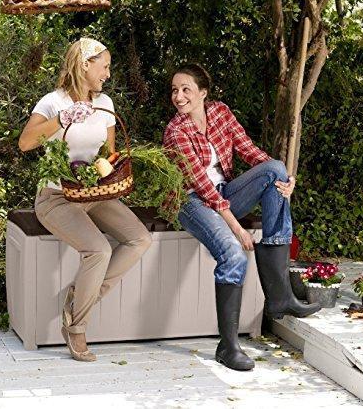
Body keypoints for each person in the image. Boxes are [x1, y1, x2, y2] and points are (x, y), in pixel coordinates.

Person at [163, 64, 321, 371]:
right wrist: (237, 229)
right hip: (192, 202)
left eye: (185, 89)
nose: (178, 96)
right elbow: (202, 186)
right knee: (234, 255)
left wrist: (286, 179)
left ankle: (279, 296)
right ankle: (228, 346)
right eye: (174, 90)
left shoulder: (220, 112)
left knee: (275, 169)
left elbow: (250, 151)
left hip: (224, 193)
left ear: (203, 93)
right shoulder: (175, 131)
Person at [19, 38, 151, 362]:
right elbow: (25, 143)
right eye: (104, 66)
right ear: (84, 65)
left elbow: (108, 154)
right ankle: (77, 328)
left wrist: (111, 168)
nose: (107, 74)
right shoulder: (53, 102)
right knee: (99, 250)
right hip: (56, 197)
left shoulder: (105, 104)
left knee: (140, 239)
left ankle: (79, 299)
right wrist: (63, 119)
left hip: (93, 193)